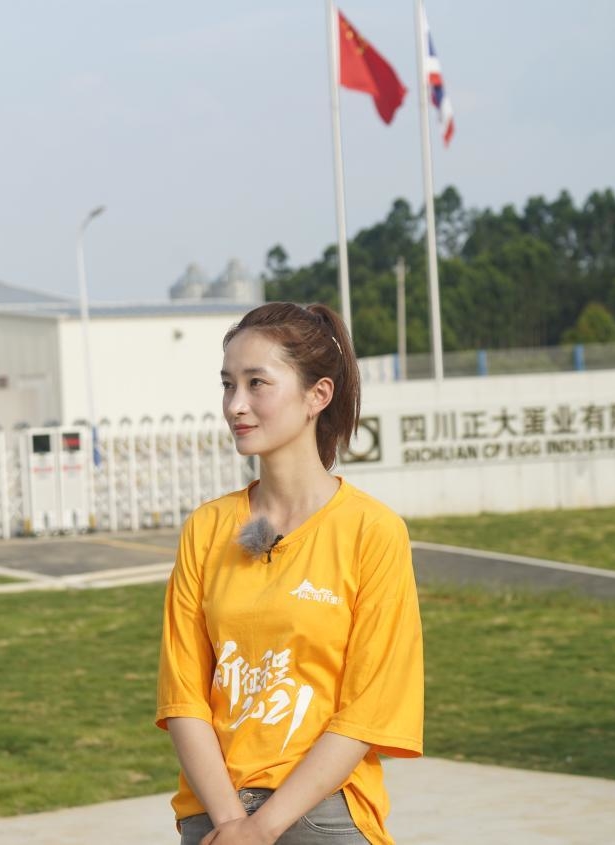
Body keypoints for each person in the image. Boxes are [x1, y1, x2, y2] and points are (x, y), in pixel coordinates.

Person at [156, 302, 423, 845]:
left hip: (325, 812)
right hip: (214, 814)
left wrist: (263, 828)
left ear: (317, 395)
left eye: (257, 383)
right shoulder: (206, 528)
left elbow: (368, 709)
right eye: (227, 384)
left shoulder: (372, 531)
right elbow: (183, 696)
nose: (236, 404)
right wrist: (233, 824)